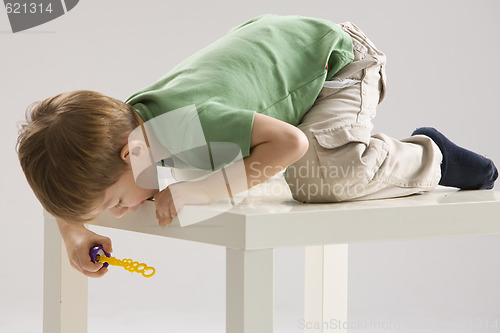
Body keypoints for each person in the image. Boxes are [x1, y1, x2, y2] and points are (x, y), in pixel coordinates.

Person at [17, 14, 498, 278]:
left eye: (117, 203)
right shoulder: (124, 133)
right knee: (247, 170)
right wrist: (73, 231)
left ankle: (431, 154)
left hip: (337, 63)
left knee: (324, 179)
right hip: (274, 57)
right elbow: (70, 178)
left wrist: (205, 191)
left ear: (129, 154)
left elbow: (288, 143)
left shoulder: (183, 126)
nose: (120, 212)